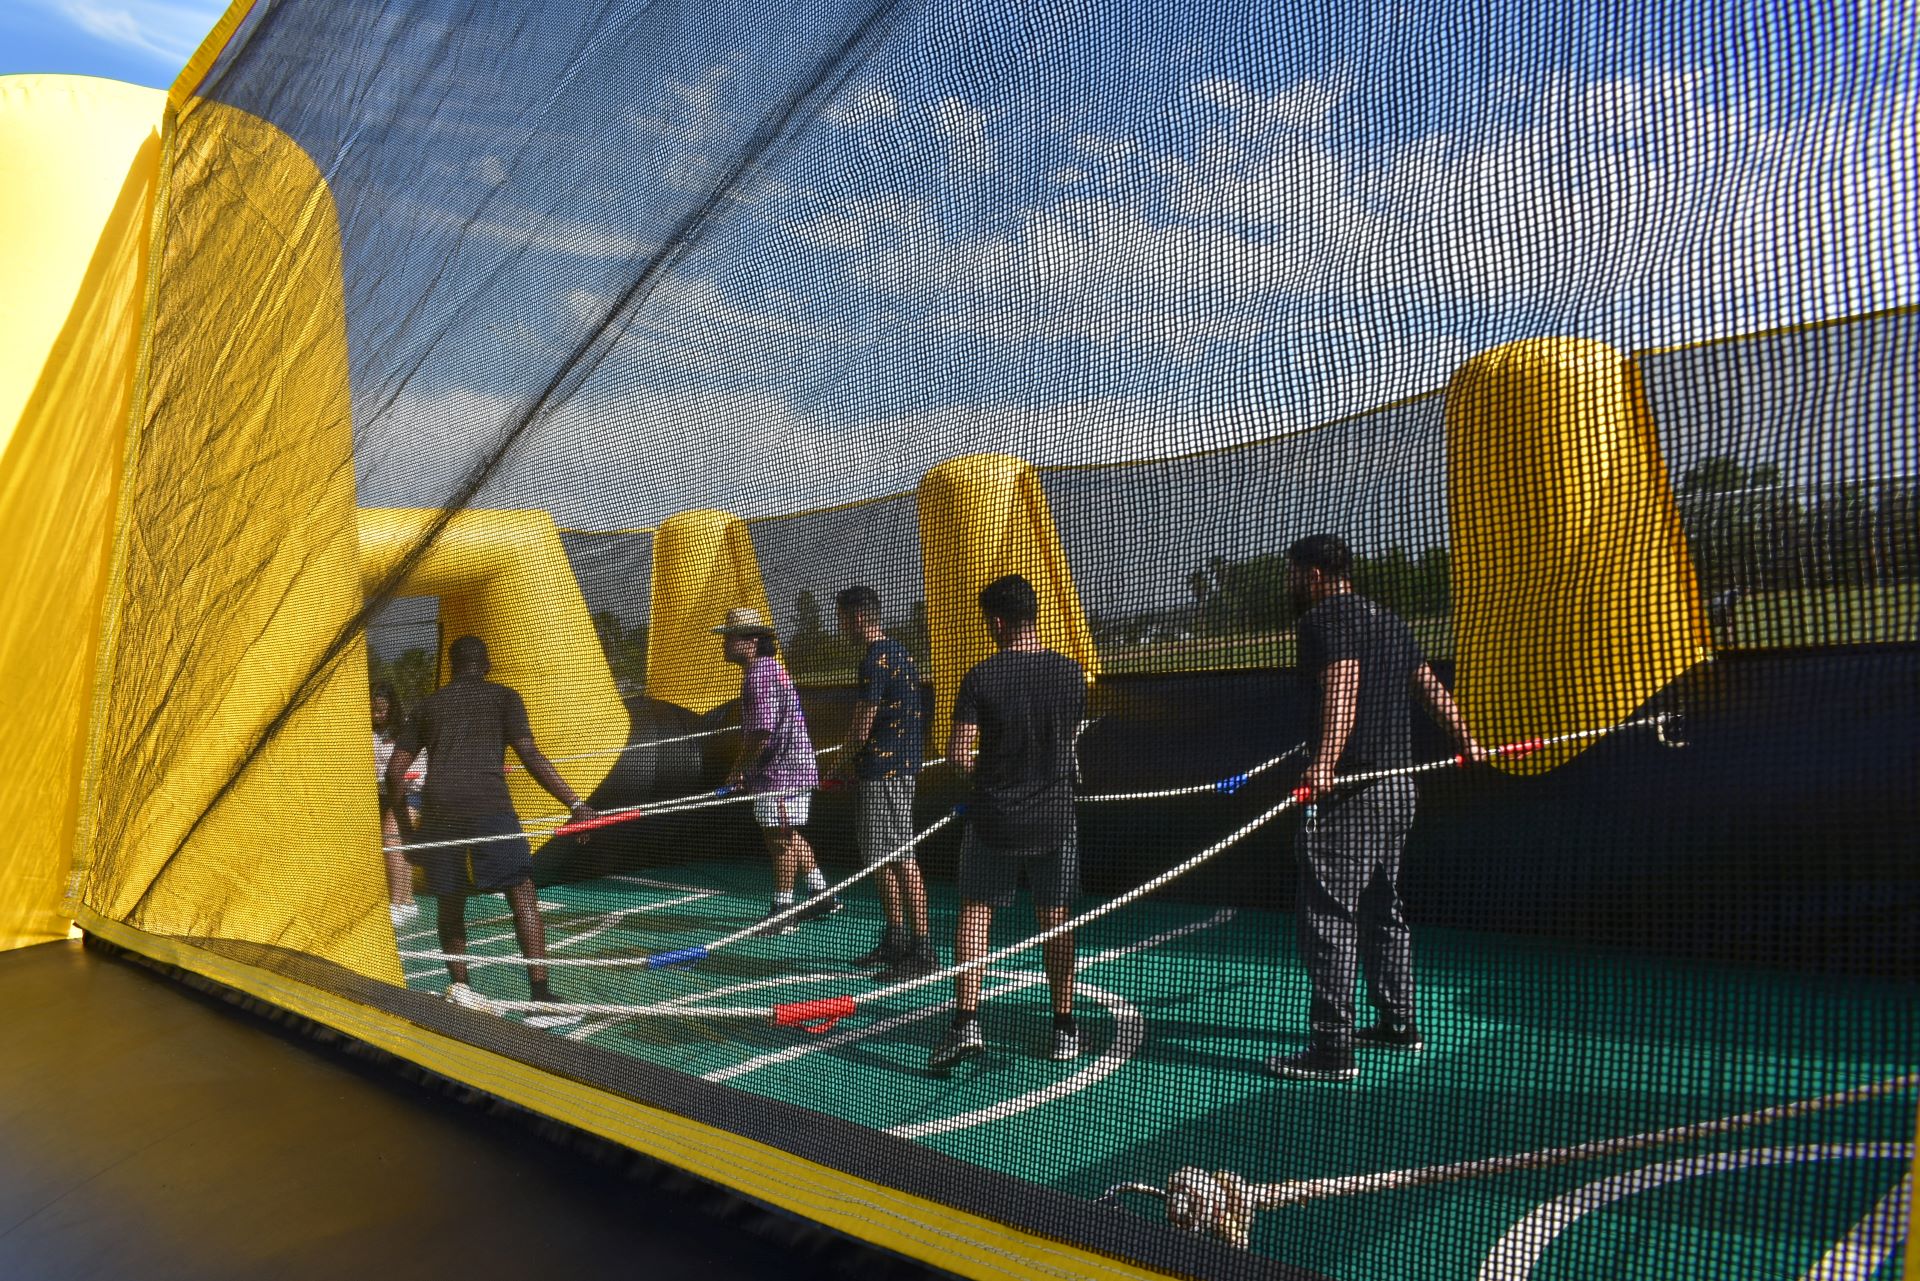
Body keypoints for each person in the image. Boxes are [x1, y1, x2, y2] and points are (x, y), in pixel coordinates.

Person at [1268, 534, 1484, 1082]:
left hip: (1355, 793)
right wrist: (1467, 739)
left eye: (1294, 573)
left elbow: (1344, 685)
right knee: (1385, 908)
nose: (1291, 583)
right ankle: (1398, 1022)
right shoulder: (1388, 619)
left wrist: (1324, 765)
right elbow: (1427, 684)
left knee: (1328, 916)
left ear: (1314, 575)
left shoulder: (1323, 621)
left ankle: (1333, 1050)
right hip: (1400, 789)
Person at [387, 635, 597, 1028]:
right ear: (487, 664)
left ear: (451, 667)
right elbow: (529, 754)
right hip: (489, 807)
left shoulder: (428, 705)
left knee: (450, 903)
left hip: (440, 809)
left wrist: (407, 831)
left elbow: (394, 772)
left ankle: (462, 990)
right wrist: (576, 803)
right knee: (522, 896)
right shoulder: (504, 698)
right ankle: (540, 996)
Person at [929, 574, 1087, 1072]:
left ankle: (967, 1022)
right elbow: (1069, 738)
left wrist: (990, 769)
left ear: (998, 622)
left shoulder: (982, 675)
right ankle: (1064, 1026)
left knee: (976, 914)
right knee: (1054, 917)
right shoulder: (1069, 672)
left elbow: (958, 753)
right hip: (1053, 817)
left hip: (994, 817)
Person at [714, 608, 839, 932]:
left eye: (730, 637)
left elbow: (761, 732)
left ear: (752, 640)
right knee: (788, 832)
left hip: (782, 773)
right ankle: (821, 894)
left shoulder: (759, 674)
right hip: (789, 770)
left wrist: (738, 770)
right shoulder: (770, 668)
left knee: (779, 838)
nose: (724, 643)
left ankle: (783, 912)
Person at [833, 585, 935, 980]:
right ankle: (896, 940)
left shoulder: (876, 658)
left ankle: (922, 948)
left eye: (843, 617)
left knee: (900, 855)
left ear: (858, 616)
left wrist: (840, 765)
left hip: (884, 772)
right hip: (890, 770)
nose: (841, 625)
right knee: (881, 856)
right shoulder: (898, 651)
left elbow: (862, 728)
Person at [370, 681, 420, 927]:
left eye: (382, 710)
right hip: (382, 794)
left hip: (409, 792)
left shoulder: (405, 731)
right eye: (373, 710)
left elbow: (417, 765)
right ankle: (408, 901)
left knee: (393, 838)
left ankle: (397, 904)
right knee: (399, 842)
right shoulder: (370, 733)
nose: (377, 715)